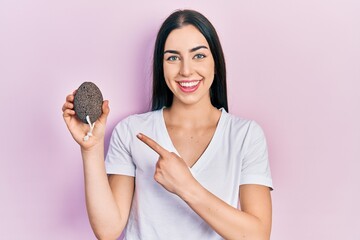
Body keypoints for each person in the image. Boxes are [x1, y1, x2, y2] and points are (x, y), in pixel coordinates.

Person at [62, 9, 273, 240]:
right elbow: (108, 229)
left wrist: (186, 187)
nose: (186, 70)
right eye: (173, 57)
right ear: (161, 66)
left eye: (199, 55)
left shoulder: (245, 136)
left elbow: (257, 235)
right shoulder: (132, 131)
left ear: (216, 61)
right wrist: (90, 148)